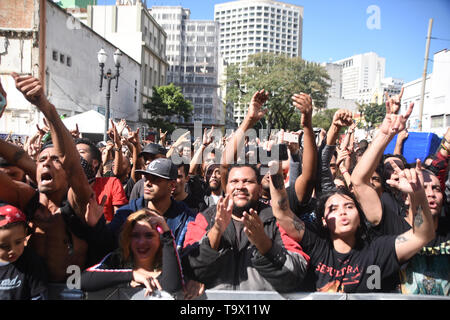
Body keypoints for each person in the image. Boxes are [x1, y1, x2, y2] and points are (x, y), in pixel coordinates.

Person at [182, 90, 309, 293]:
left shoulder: (274, 221)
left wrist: (265, 245)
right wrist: (216, 231)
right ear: (226, 186)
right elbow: (189, 267)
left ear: (259, 188)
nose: (240, 186)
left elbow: (297, 274)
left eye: (247, 181)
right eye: (234, 181)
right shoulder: (206, 218)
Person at [0, 73, 94, 282]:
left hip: (70, 292)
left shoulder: (78, 203)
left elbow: (71, 163)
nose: (46, 163)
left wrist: (45, 106)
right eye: (42, 159)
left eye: (55, 160)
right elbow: (19, 158)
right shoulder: (26, 199)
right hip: (30, 292)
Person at [351, 99, 450, 295]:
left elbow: (444, 155)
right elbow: (359, 182)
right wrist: (385, 135)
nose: (430, 193)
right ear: (405, 197)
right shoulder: (391, 223)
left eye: (436, 189)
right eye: (424, 188)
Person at [80, 209, 183, 297]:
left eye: (149, 236)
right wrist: (132, 275)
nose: (142, 242)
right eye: (135, 235)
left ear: (160, 239)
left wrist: (166, 235)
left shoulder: (169, 261)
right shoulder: (117, 259)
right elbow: (83, 280)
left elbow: (172, 286)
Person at [108, 158, 197, 251]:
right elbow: (104, 246)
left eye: (155, 179)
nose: (147, 183)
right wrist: (97, 226)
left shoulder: (187, 220)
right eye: (146, 178)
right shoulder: (126, 214)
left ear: (172, 185)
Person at [0, 204, 48, 300]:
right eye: (4, 246)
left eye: (18, 242)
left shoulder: (31, 262)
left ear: (25, 234)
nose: (12, 250)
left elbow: (38, 296)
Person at [76, 137, 128, 223]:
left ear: (95, 163)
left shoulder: (111, 183)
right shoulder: (64, 186)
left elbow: (120, 221)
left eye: (81, 152)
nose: (76, 155)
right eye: (73, 152)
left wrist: (99, 224)